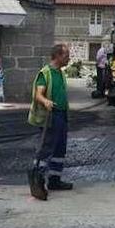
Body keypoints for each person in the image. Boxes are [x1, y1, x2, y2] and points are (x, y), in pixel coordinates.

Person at [27, 44, 73, 200]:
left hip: (61, 115)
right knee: (46, 148)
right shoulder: (45, 73)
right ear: (58, 56)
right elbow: (38, 94)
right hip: (50, 116)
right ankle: (38, 178)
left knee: (60, 149)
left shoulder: (60, 73)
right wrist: (46, 101)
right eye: (66, 55)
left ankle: (55, 180)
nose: (68, 58)